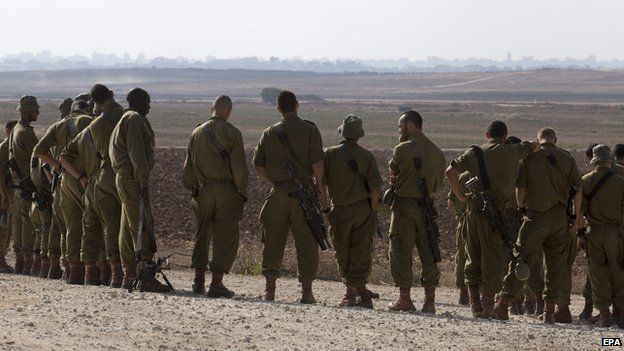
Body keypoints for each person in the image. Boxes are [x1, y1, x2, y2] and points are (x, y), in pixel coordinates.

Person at [446, 120, 538, 318]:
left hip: (473, 213)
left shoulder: (473, 153)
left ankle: (474, 305)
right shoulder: (513, 151)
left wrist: (462, 196)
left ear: (487, 135)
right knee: (493, 260)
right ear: (505, 136)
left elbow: (450, 172)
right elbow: (535, 145)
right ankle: (488, 307)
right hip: (497, 216)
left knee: (473, 257)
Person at [494, 128, 582, 324]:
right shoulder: (568, 159)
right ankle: (550, 312)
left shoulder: (529, 158)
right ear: (555, 139)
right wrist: (575, 217)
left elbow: (520, 190)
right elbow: (578, 190)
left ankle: (503, 304)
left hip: (535, 217)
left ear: (538, 140)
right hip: (560, 219)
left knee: (521, 260)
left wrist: (522, 208)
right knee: (556, 266)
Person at [253, 90, 327, 304]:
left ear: (278, 108)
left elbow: (258, 164)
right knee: (308, 242)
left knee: (273, 241)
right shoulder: (310, 130)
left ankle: (270, 290)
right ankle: (307, 292)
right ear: (297, 105)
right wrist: (319, 189)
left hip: (279, 195)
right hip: (304, 194)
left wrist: (275, 181)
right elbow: (318, 164)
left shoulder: (269, 132)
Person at [183, 95, 248, 298]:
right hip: (226, 191)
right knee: (225, 237)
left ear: (212, 108)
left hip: (204, 192)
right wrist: (242, 191)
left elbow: (188, 168)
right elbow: (239, 168)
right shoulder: (233, 133)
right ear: (228, 111)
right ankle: (216, 283)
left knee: (202, 235)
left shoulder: (196, 132)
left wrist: (194, 189)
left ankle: (198, 281)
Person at [110, 87, 169, 292]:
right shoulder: (134, 119)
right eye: (148, 102)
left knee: (128, 227)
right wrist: (143, 183)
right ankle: (145, 275)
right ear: (139, 102)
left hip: (125, 178)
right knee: (141, 224)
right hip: (133, 179)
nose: (150, 106)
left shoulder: (125, 119)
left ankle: (129, 275)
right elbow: (137, 154)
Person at [387, 110, 445, 313]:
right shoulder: (437, 152)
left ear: (411, 125)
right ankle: (429, 301)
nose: (399, 130)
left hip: (404, 207)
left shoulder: (402, 148)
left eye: (401, 126)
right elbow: (438, 184)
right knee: (428, 252)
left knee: (400, 250)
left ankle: (405, 299)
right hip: (426, 207)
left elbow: (392, 174)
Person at [324, 115, 382, 308]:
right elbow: (375, 190)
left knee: (343, 250)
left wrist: (325, 208)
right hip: (362, 209)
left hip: (340, 209)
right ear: (359, 135)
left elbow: (319, 184)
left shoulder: (329, 154)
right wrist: (371, 211)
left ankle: (350, 293)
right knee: (361, 250)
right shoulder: (367, 156)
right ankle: (361, 292)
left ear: (342, 132)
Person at [34, 100, 93, 283]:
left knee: (69, 225)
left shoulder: (58, 125)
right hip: (82, 177)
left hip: (63, 180)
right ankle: (91, 270)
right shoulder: (89, 121)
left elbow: (39, 151)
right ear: (87, 108)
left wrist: (58, 166)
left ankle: (72, 269)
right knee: (90, 222)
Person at [578, 144, 624, 329]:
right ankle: (620, 318)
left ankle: (605, 316)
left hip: (594, 233)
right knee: (619, 273)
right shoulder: (621, 181)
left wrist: (581, 235)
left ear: (594, 160)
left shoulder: (585, 180)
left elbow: (579, 212)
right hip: (615, 233)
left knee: (598, 275)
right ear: (609, 160)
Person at [88, 84, 124, 286]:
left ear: (95, 102)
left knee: (109, 226)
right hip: (123, 174)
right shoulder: (126, 116)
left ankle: (115, 274)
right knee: (130, 222)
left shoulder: (94, 126)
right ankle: (131, 271)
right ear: (112, 94)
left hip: (103, 175)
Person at [9, 96, 40, 275]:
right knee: (29, 223)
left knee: (20, 224)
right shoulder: (26, 133)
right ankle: (28, 264)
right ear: (26, 111)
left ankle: (21, 262)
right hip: (27, 184)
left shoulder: (15, 130)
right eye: (34, 110)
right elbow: (38, 156)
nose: (37, 113)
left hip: (18, 185)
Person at [447, 171, 470, 305]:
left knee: (462, 257)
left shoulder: (463, 176)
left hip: (464, 221)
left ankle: (463, 292)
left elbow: (451, 203)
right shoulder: (491, 171)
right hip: (486, 223)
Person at [0, 120, 18, 273]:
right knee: (2, 227)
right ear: (7, 130)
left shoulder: (13, 148)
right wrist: (4, 196)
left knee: (7, 228)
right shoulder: (3, 149)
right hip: (3, 193)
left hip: (9, 193)